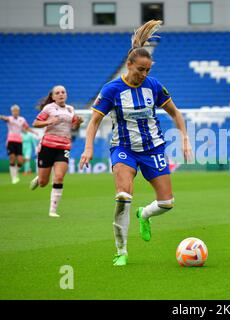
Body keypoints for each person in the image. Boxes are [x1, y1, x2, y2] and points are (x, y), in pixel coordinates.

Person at [79, 20, 193, 267]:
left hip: (153, 148)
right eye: (140, 69)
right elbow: (94, 121)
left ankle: (145, 214)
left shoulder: (154, 86)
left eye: (147, 70)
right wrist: (88, 147)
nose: (144, 75)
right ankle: (121, 251)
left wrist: (184, 137)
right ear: (129, 65)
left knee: (167, 203)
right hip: (124, 149)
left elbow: (175, 113)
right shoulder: (112, 89)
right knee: (122, 196)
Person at [29, 85, 84, 218]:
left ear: (66, 95)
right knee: (43, 183)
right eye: (57, 93)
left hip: (64, 146)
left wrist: (78, 122)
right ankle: (39, 178)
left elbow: (72, 127)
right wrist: (49, 121)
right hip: (47, 146)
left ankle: (53, 210)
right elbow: (35, 123)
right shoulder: (49, 108)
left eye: (63, 92)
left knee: (59, 177)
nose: (61, 94)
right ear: (53, 97)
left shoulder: (71, 109)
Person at [0, 105, 36, 184]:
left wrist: (34, 132)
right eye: (14, 111)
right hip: (11, 140)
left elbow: (27, 127)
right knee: (12, 158)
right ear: (12, 112)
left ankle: (14, 172)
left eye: (16, 111)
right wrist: (1, 117)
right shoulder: (10, 119)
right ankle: (14, 178)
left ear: (18, 112)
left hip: (19, 141)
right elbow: (4, 118)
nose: (15, 112)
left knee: (20, 161)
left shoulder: (22, 119)